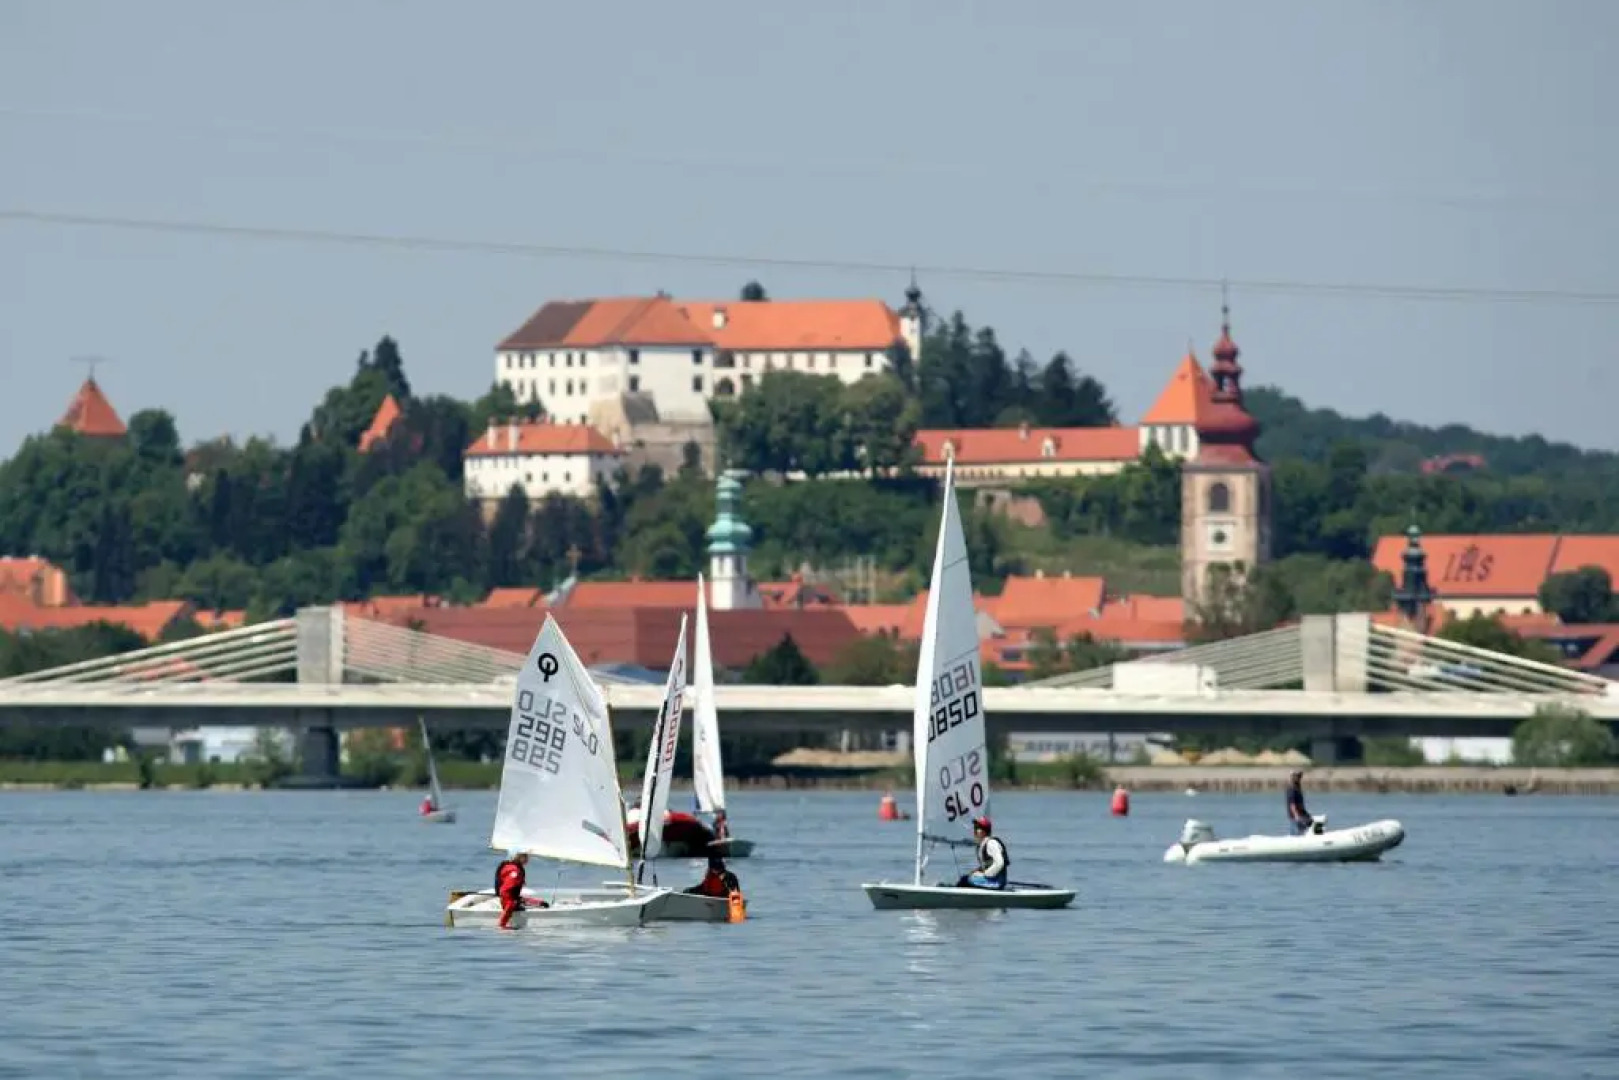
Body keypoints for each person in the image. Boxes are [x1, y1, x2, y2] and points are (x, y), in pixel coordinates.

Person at [494, 851, 546, 928]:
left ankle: (539, 903)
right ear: (518, 857)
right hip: (507, 902)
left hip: (510, 898)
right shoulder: (514, 871)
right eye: (525, 856)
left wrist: (538, 902)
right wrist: (502, 925)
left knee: (542, 903)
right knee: (516, 904)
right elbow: (506, 892)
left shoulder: (511, 867)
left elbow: (513, 894)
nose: (528, 859)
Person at [955, 816, 1009, 890]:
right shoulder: (982, 845)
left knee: (969, 880)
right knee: (965, 879)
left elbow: (999, 863)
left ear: (982, 831)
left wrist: (985, 874)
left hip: (997, 881)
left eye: (977, 828)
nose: (975, 830)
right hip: (991, 879)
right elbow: (986, 865)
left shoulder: (991, 843)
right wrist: (977, 871)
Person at [1285, 770, 1315, 834]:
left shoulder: (1297, 787)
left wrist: (1306, 813)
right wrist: (1296, 816)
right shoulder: (1292, 788)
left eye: (1300, 776)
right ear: (1293, 777)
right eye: (1297, 776)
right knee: (1296, 833)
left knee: (1311, 823)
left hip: (1302, 814)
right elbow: (1292, 804)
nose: (1299, 778)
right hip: (1296, 816)